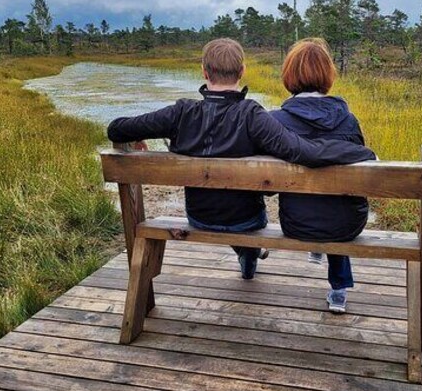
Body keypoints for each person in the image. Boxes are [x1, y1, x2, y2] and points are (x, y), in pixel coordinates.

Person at [107, 38, 375, 280]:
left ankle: (247, 256)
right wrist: (360, 153)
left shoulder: (180, 113)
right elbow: (300, 151)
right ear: (243, 71)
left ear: (204, 71)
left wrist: (134, 137)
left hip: (198, 217)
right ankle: (249, 255)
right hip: (247, 220)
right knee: (243, 214)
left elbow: (117, 128)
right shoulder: (252, 115)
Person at [271, 38, 376, 313]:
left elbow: (266, 184)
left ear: (289, 75)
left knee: (317, 204)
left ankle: (313, 249)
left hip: (297, 222)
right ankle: (339, 290)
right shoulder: (349, 120)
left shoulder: (275, 121)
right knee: (338, 205)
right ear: (327, 75)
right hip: (348, 225)